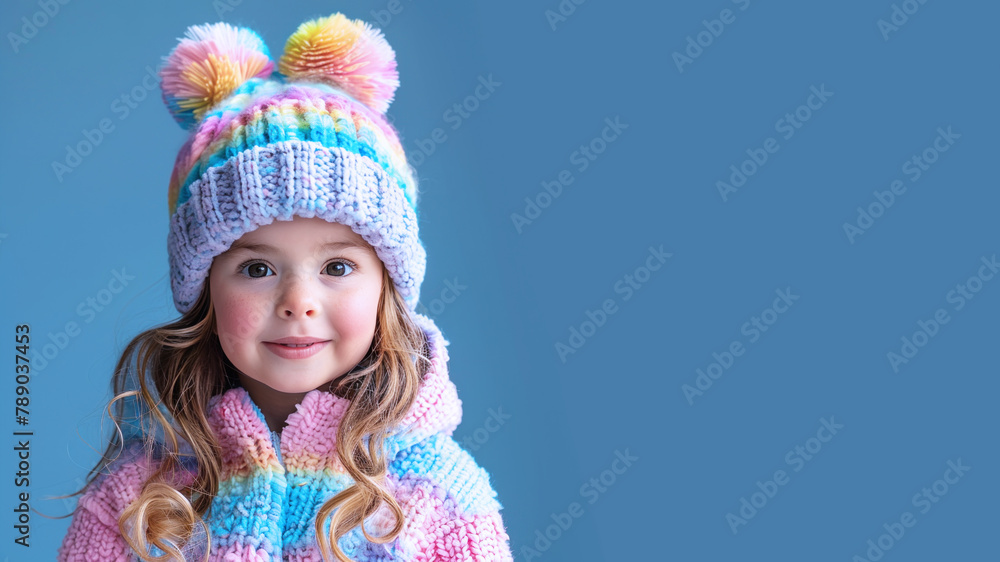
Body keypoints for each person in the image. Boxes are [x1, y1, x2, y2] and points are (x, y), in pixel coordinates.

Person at [57, 13, 513, 562]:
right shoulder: (136, 499)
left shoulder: (442, 496)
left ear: (387, 289)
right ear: (205, 293)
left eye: (338, 268)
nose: (299, 302)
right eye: (257, 269)